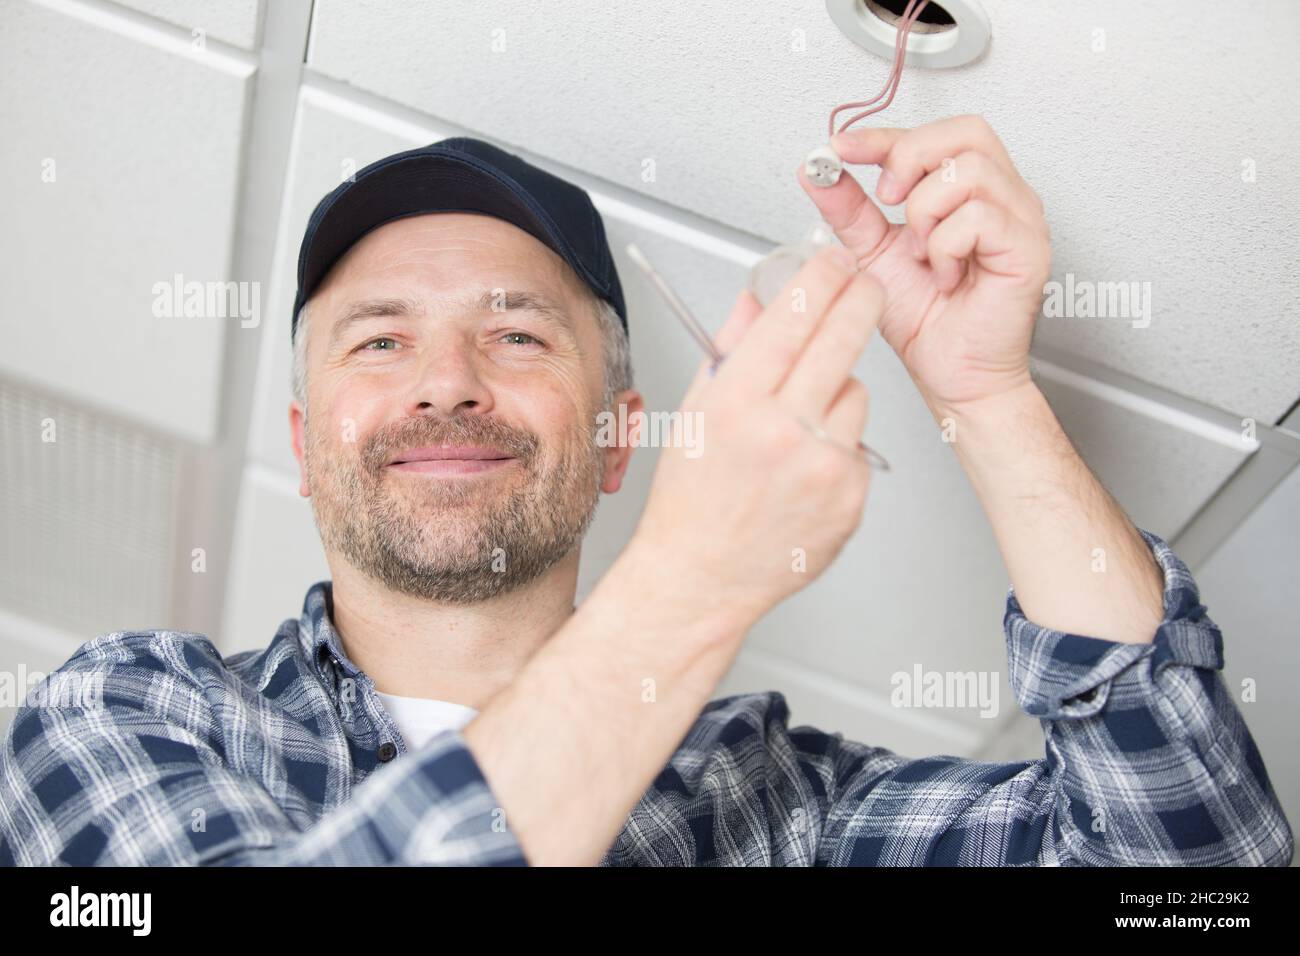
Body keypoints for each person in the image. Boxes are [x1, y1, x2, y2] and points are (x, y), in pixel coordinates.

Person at [0, 120, 1291, 866]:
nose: (446, 383)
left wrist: (989, 398)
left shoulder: (788, 804)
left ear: (621, 440)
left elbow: (1197, 877)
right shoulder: (125, 710)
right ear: (304, 439)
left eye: (517, 336)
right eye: (380, 340)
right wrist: (694, 584)